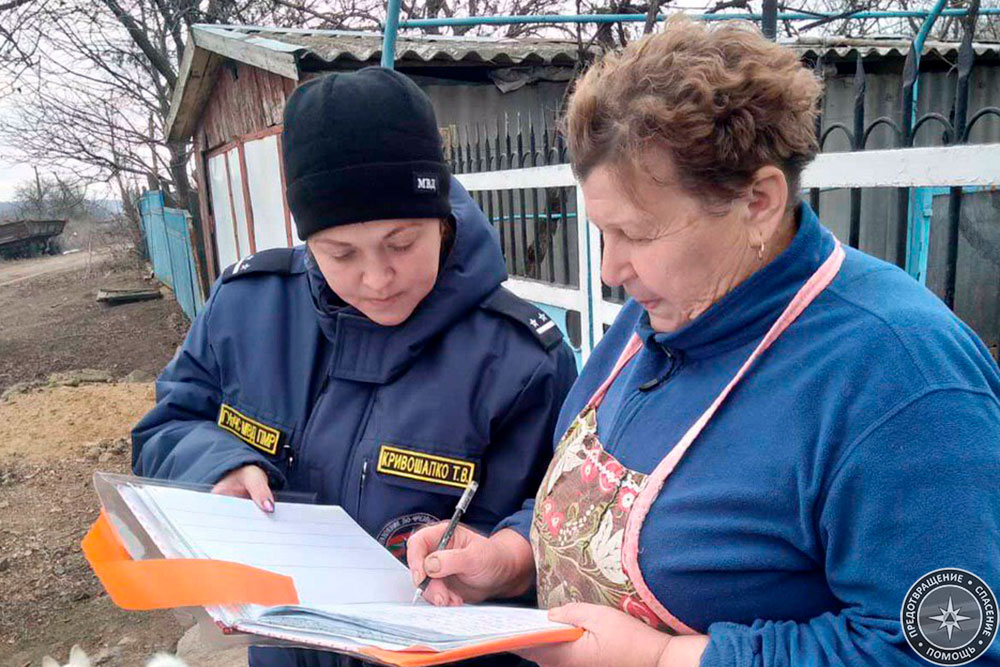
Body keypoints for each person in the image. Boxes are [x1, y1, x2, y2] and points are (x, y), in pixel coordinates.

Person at [406, 17, 1000, 667]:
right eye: (603, 231)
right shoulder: (663, 310)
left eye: (638, 234)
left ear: (759, 201)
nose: (609, 270)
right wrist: (512, 555)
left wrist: (665, 659)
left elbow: (950, 647)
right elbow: (589, 506)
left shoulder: (904, 379)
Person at [131, 67, 578, 667]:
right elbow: (167, 426)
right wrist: (218, 465)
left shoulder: (522, 359)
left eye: (402, 243)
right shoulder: (244, 310)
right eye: (340, 253)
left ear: (442, 218)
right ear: (307, 238)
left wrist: (508, 557)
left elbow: (566, 516)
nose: (377, 278)